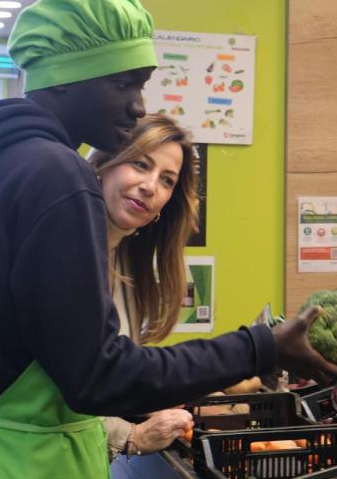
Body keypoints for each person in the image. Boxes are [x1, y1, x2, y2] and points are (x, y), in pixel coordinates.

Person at [0, 0, 337, 478]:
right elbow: (98, 377)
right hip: (18, 461)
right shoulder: (56, 173)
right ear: (63, 79)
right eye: (124, 83)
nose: (139, 105)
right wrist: (259, 346)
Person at [88, 113, 200, 457]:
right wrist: (130, 435)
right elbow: (55, 394)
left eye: (166, 180)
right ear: (104, 164)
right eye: (140, 164)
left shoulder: (122, 255)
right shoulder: (70, 254)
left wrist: (146, 397)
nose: (151, 187)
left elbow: (107, 373)